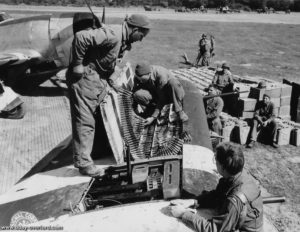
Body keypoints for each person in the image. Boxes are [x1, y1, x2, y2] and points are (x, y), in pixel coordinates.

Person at [67, 13, 151, 177]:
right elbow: (81, 37)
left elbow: (108, 60)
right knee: (85, 121)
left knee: (93, 117)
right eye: (142, 34)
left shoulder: (124, 41)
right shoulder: (114, 35)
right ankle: (84, 164)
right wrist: (77, 64)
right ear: (134, 29)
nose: (141, 39)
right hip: (84, 79)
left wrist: (113, 79)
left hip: (95, 79)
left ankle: (93, 152)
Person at [169, 142, 263, 232]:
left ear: (222, 168)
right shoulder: (235, 174)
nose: (215, 164)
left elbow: (214, 229)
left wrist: (184, 214)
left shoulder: (234, 201)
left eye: (216, 161)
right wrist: (192, 202)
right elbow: (217, 195)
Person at [132, 62, 189, 126]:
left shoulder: (161, 75)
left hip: (169, 94)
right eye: (139, 80)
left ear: (149, 74)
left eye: (142, 80)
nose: (141, 81)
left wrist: (153, 117)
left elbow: (162, 99)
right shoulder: (138, 77)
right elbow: (134, 91)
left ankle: (179, 111)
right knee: (137, 94)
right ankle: (152, 108)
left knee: (174, 84)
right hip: (156, 93)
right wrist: (134, 109)